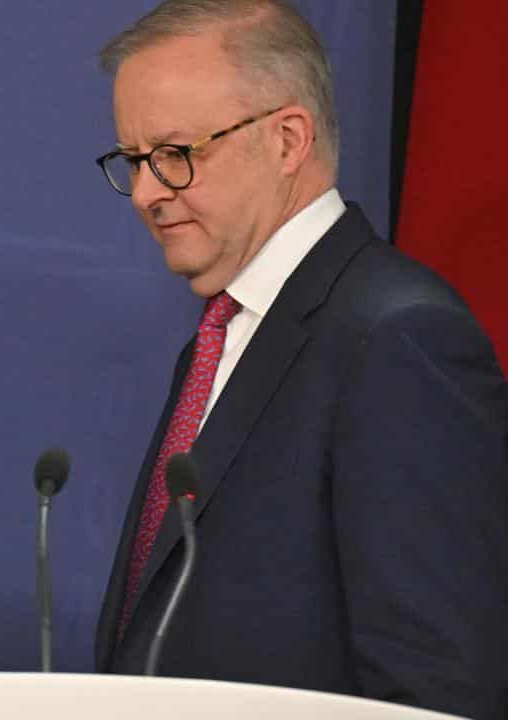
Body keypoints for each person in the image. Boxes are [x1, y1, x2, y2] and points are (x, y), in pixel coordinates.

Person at [91, 1, 508, 716]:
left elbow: (442, 685)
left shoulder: (398, 337)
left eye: (175, 155)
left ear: (287, 140)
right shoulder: (226, 332)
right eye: (133, 161)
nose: (147, 194)